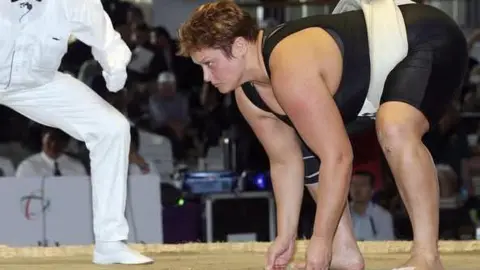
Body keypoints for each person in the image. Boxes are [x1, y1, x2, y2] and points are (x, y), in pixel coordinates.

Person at [178, 1, 468, 270]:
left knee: (394, 127)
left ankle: (427, 256)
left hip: (426, 38)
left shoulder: (289, 65)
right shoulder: (248, 94)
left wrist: (319, 240)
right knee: (310, 144)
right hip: (371, 82)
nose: (206, 78)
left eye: (209, 63)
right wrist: (286, 236)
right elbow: (285, 162)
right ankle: (344, 251)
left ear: (240, 46)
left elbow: (340, 158)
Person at [0, 0, 152, 265]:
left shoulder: (74, 2)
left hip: (39, 82)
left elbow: (106, 37)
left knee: (112, 128)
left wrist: (114, 65)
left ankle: (110, 243)